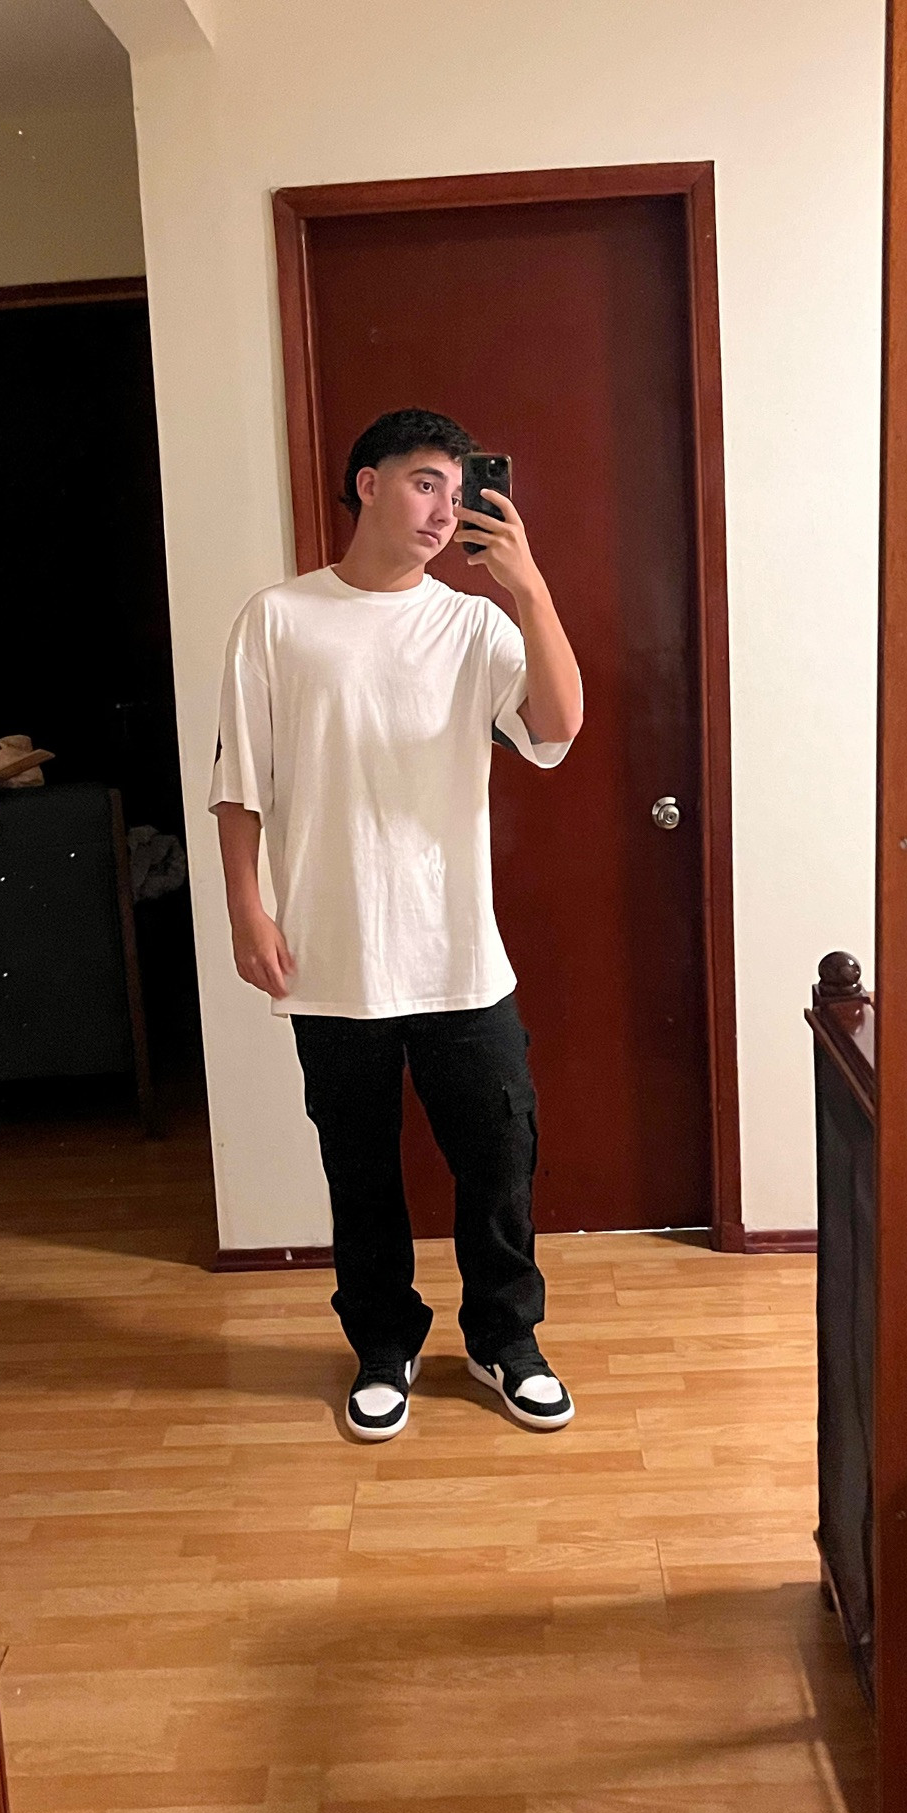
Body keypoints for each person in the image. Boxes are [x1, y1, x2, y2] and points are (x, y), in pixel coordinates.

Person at [209, 407, 584, 1442]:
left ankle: (507, 1341)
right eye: (426, 483)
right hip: (331, 953)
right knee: (359, 1168)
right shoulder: (279, 619)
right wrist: (246, 908)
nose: (444, 511)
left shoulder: (475, 625)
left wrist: (529, 588)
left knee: (499, 1157)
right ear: (367, 482)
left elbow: (558, 728)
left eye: (458, 494)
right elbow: (241, 780)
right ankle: (384, 1345)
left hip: (458, 952)